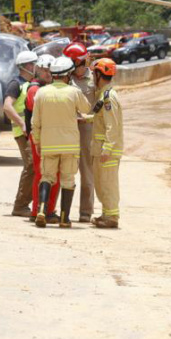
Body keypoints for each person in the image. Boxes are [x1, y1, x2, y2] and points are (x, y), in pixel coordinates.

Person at [31, 56, 92, 228]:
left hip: (49, 143)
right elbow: (86, 108)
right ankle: (65, 219)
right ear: (67, 75)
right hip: (70, 145)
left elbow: (35, 122)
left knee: (47, 177)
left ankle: (42, 210)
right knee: (68, 179)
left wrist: (37, 141)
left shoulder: (41, 93)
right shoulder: (74, 92)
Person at [89, 58, 124, 228]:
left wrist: (107, 149)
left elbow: (112, 126)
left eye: (93, 74)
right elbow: (101, 121)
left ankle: (112, 217)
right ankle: (106, 214)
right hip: (101, 149)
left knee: (108, 184)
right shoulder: (103, 94)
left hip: (106, 151)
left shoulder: (109, 97)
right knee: (101, 184)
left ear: (98, 74)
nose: (92, 77)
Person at [65, 42, 97, 223]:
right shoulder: (64, 78)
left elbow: (101, 103)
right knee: (65, 171)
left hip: (86, 130)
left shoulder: (94, 79)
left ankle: (86, 212)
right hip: (67, 129)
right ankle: (61, 211)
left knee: (86, 171)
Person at [26, 54, 59, 224]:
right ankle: (41, 210)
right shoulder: (35, 89)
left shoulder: (45, 88)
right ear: (38, 69)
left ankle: (45, 209)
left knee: (48, 173)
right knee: (43, 174)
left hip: (47, 135)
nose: (48, 73)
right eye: (45, 70)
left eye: (50, 70)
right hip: (40, 136)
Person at [4, 50, 38, 217]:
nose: (36, 66)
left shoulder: (31, 84)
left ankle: (28, 203)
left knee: (33, 166)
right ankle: (20, 205)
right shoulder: (15, 83)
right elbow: (7, 106)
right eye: (33, 64)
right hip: (22, 132)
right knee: (31, 165)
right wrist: (22, 123)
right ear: (26, 66)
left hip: (30, 131)